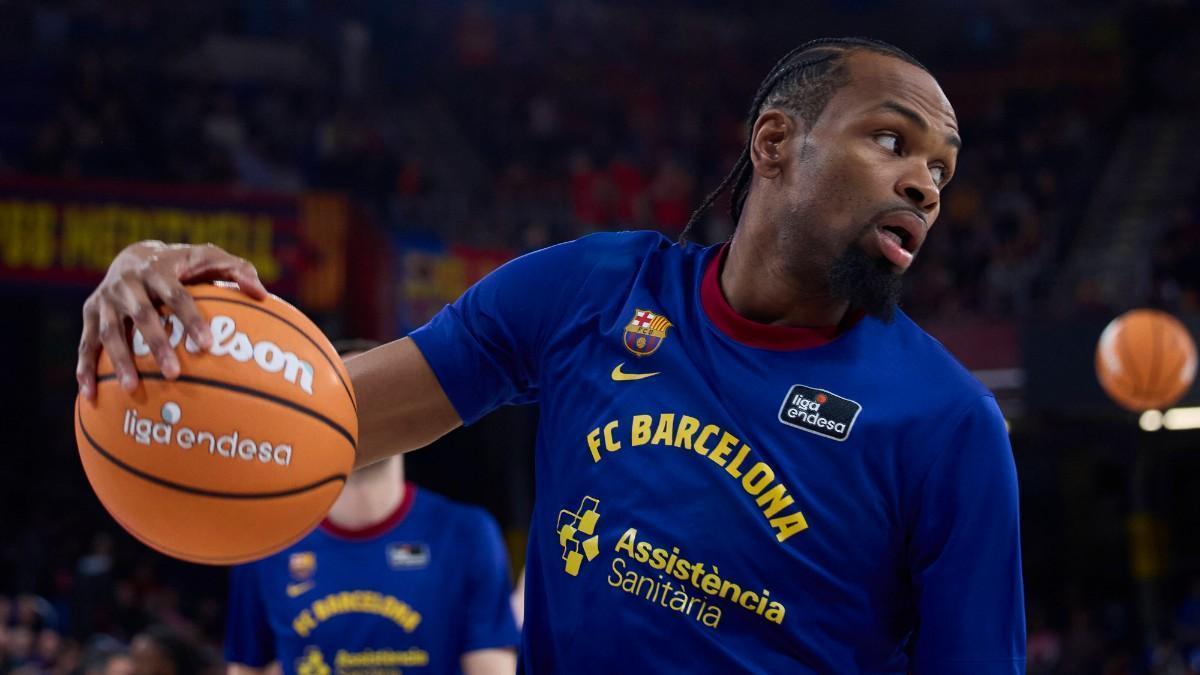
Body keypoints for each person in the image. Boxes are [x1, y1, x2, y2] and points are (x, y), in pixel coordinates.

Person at [77, 37, 1025, 673]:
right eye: (893, 140)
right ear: (775, 142)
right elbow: (321, 419)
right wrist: (177, 314)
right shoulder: (588, 293)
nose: (924, 183)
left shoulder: (948, 426)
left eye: (941, 169)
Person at [223, 340, 520, 675]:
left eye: (372, 396)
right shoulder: (267, 542)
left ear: (408, 413)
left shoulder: (467, 534)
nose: (357, 413)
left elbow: (491, 667)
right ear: (309, 416)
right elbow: (246, 667)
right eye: (340, 399)